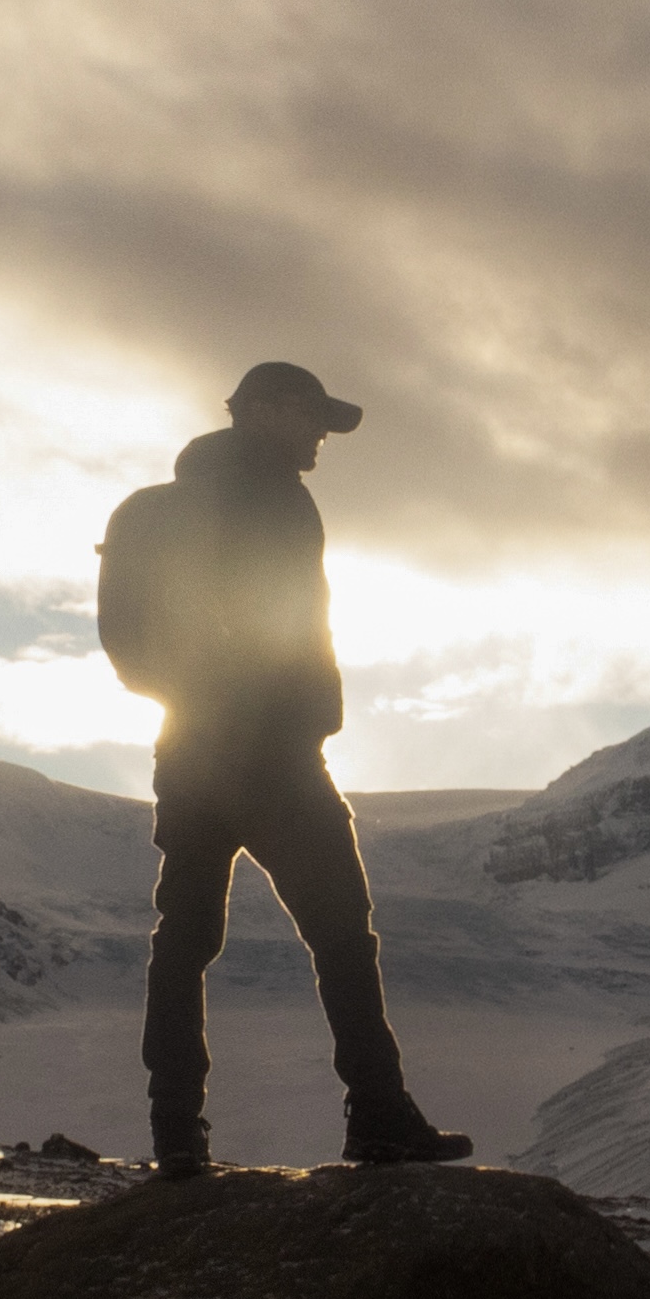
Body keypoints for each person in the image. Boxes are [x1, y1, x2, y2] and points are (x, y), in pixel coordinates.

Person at [97, 361, 469, 1180]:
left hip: (187, 746)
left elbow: (126, 638)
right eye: (310, 418)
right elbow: (284, 625)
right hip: (269, 753)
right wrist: (270, 709)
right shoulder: (272, 500)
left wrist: (196, 695)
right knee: (341, 934)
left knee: (185, 937)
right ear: (259, 412)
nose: (320, 438)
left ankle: (175, 1135)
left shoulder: (156, 510)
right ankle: (377, 1115)